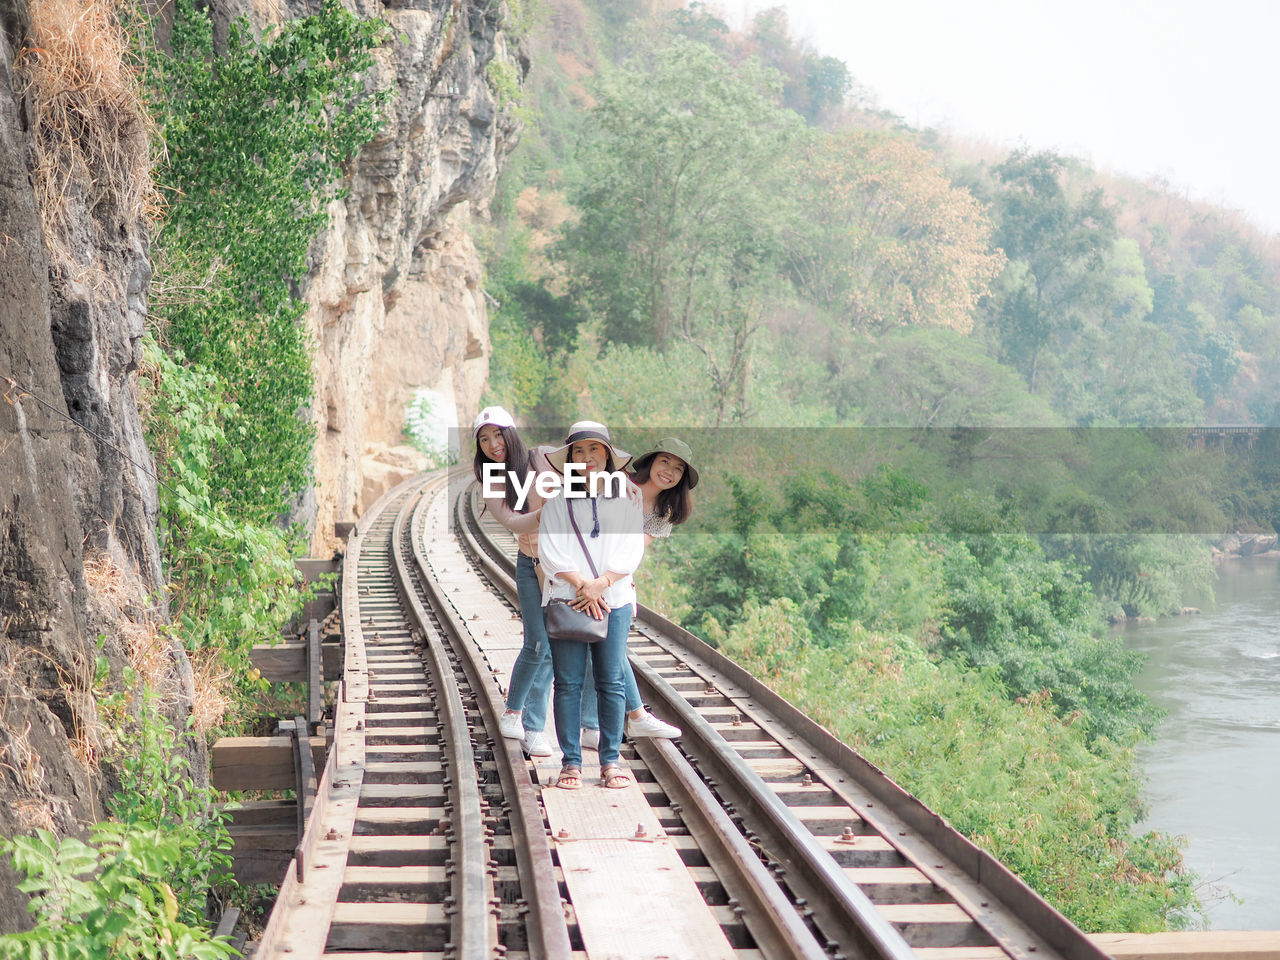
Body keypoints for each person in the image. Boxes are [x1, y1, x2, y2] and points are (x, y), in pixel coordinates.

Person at [539, 421, 644, 789]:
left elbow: (632, 548)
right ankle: (570, 764)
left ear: (608, 457)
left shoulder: (626, 501)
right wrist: (583, 584)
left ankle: (610, 761)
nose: (587, 458)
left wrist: (602, 584)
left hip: (612, 601)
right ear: (569, 459)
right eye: (579, 452)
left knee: (610, 681)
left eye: (594, 451)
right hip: (569, 600)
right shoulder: (557, 502)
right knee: (567, 682)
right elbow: (550, 551)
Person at [579, 438, 698, 745]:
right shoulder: (617, 483)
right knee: (606, 648)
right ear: (651, 462)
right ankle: (635, 716)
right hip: (586, 572)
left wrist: (608, 582)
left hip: (614, 580)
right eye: (665, 462)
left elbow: (632, 551)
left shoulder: (663, 512)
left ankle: (595, 726)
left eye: (677, 468)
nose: (669, 471)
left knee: (604, 648)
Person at [472, 406, 556, 758]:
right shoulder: (492, 479)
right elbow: (514, 523)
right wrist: (554, 510)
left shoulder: (545, 459)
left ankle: (537, 727)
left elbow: (593, 472)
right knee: (538, 643)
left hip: (567, 566)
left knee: (558, 646)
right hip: (532, 564)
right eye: (484, 439)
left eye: (497, 434)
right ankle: (514, 713)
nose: (493, 444)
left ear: (512, 432)